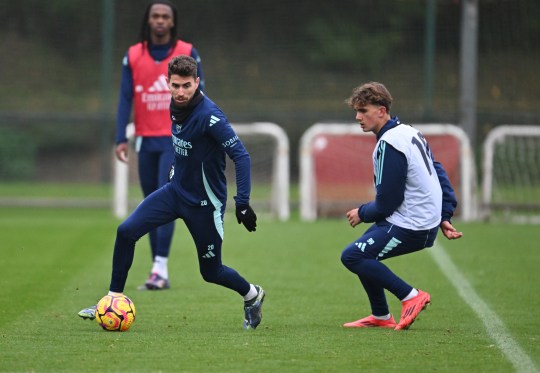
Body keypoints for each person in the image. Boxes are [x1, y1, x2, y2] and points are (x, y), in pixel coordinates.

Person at [78, 55, 265, 330]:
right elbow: (186, 148)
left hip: (205, 205)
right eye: (175, 85)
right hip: (174, 193)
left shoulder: (211, 117)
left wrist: (243, 203)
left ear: (197, 82)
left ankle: (252, 295)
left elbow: (242, 156)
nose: (180, 92)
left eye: (186, 86)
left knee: (211, 272)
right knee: (126, 231)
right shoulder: (175, 104)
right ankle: (111, 299)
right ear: (167, 82)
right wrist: (176, 172)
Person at [340, 82, 463, 330]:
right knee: (363, 252)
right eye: (357, 111)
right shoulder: (409, 132)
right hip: (419, 219)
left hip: (411, 224)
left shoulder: (390, 143)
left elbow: (387, 202)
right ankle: (381, 316)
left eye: (363, 110)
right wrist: (444, 214)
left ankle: (411, 295)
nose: (358, 117)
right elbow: (437, 170)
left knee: (353, 256)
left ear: (382, 110)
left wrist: (362, 213)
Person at [116, 0, 205, 291]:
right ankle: (158, 268)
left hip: (174, 140)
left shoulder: (187, 51)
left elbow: (201, 95)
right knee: (150, 205)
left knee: (166, 200)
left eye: (165, 16)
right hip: (144, 140)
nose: (160, 20)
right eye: (155, 15)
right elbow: (124, 98)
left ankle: (160, 268)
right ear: (148, 19)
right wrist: (120, 137)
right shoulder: (133, 55)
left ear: (172, 21)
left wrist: (198, 135)